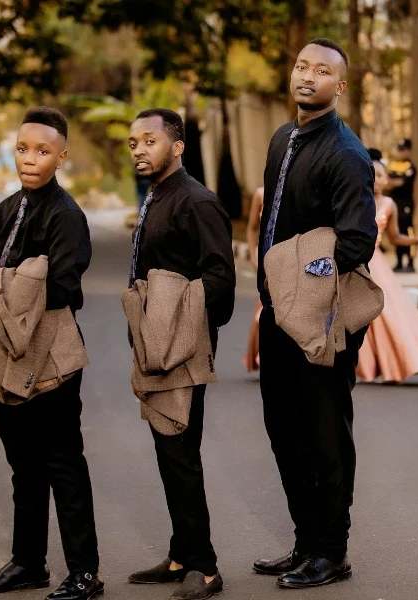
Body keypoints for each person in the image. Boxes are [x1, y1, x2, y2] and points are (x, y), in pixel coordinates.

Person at [0, 107, 103, 600]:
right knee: (24, 468)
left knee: (64, 467)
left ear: (61, 157)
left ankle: (85, 573)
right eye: (23, 148)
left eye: (43, 151)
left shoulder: (67, 216)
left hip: (52, 362)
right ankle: (28, 563)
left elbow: (64, 290)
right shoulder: (7, 209)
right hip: (2, 355)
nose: (30, 159)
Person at [252, 38, 376, 589]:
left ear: (339, 87)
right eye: (301, 66)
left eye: (321, 71)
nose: (307, 76)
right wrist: (273, 293)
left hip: (322, 322)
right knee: (284, 430)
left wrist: (303, 282)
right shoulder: (283, 138)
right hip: (277, 315)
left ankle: (333, 551)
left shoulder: (347, 154)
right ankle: (305, 542)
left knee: (325, 435)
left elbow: (356, 243)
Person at [125, 108, 236, 600]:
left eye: (149, 140)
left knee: (180, 454)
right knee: (169, 452)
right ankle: (180, 553)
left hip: (182, 347)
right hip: (154, 345)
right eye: (133, 143)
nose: (139, 150)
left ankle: (205, 567)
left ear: (177, 146)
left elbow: (220, 280)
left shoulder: (196, 201)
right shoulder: (158, 197)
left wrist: (171, 317)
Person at [356, 155, 418, 383]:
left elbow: (395, 237)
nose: (378, 181)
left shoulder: (389, 205)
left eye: (382, 176)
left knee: (389, 314)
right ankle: (364, 365)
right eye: (373, 175)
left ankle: (401, 362)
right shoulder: (355, 200)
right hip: (355, 261)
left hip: (377, 263)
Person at [384, 138, 417, 272]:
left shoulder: (411, 167)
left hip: (406, 204)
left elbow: (400, 183)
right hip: (394, 203)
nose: (400, 153)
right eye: (399, 150)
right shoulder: (393, 165)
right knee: (395, 230)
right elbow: (387, 182)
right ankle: (398, 262)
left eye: (403, 150)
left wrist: (393, 182)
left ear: (408, 151)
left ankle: (410, 262)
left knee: (408, 232)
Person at [243, 186, 265, 372]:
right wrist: (252, 254)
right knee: (265, 307)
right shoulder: (260, 194)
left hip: (289, 257)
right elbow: (251, 228)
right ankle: (262, 355)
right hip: (266, 258)